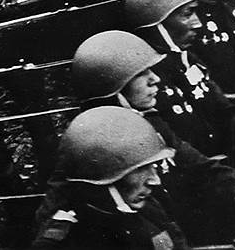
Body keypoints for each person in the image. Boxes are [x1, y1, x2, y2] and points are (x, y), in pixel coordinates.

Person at [66, 30, 235, 244]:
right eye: (141, 74)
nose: (155, 79)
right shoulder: (89, 146)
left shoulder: (151, 121)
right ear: (113, 86)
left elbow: (203, 168)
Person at [124, 0, 235, 163]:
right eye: (187, 14)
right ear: (158, 24)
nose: (198, 23)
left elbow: (228, 114)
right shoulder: (150, 78)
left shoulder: (187, 59)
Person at [32, 107, 185, 249]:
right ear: (100, 177)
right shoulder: (69, 240)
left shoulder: (146, 208)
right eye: (139, 169)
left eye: (152, 166)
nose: (154, 180)